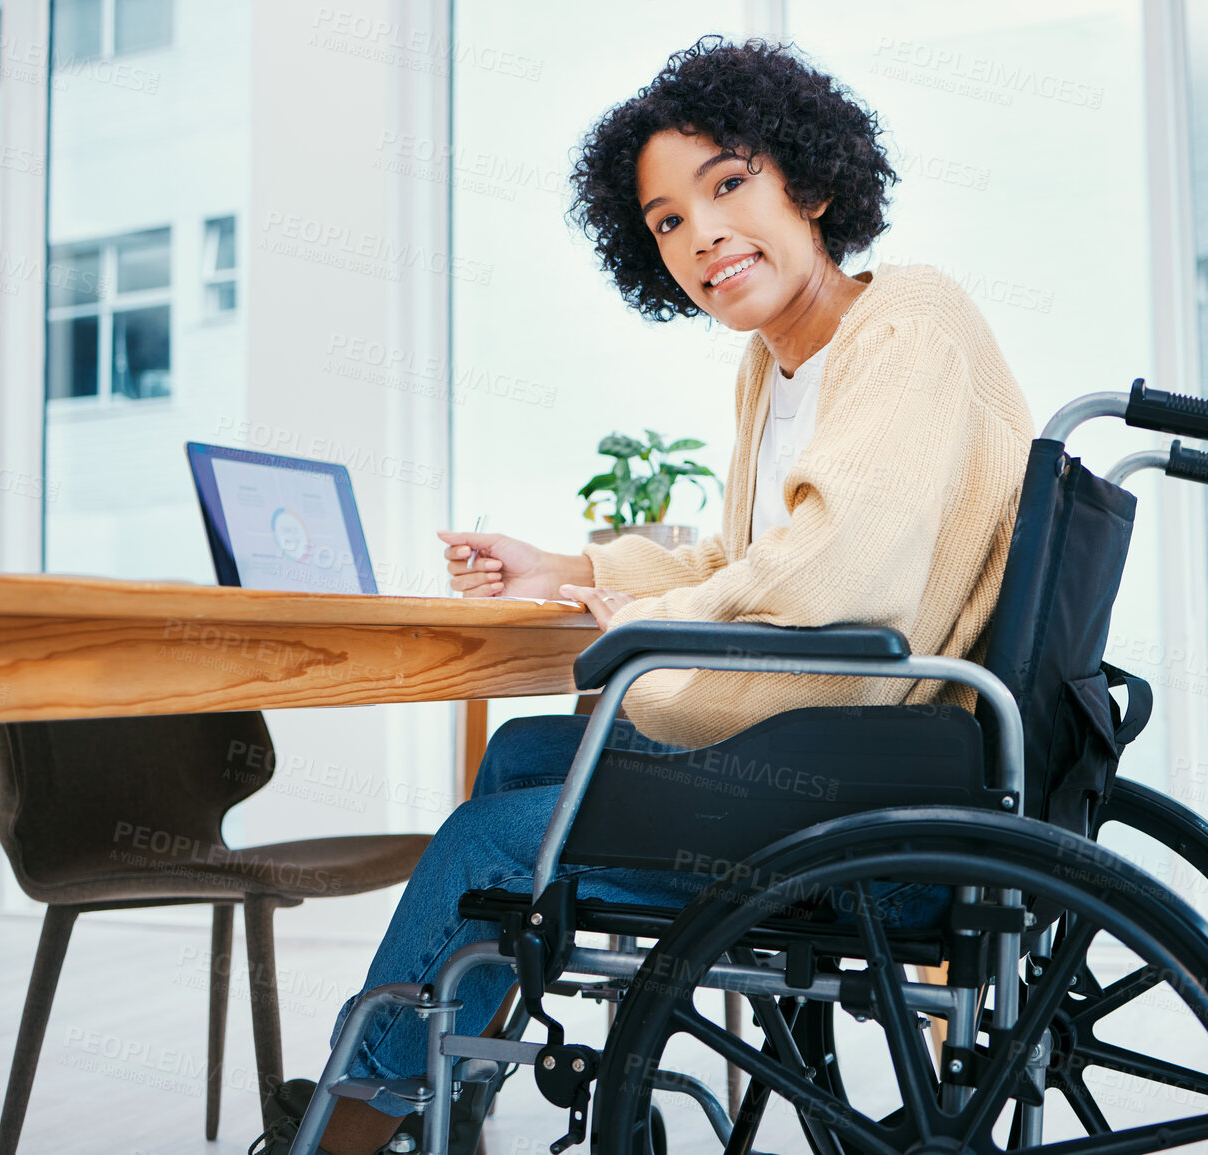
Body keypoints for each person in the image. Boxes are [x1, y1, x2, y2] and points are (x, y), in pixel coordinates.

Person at [252, 34, 1034, 1155]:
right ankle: (438, 1085)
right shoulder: (778, 364)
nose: (701, 233)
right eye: (667, 220)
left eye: (726, 185)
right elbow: (741, 553)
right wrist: (568, 571)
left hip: (862, 776)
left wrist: (657, 628)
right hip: (844, 747)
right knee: (528, 755)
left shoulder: (906, 325)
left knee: (487, 842)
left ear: (809, 182)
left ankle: (353, 1125)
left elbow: (839, 574)